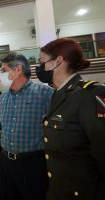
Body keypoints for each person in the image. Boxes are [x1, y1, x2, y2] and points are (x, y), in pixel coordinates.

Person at [37, 38, 105, 200]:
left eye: (43, 62)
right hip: (59, 191)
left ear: (58, 61)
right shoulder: (58, 94)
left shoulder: (92, 94)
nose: (40, 68)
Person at [0, 52, 54, 200]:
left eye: (4, 70)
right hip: (5, 162)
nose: (1, 74)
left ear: (17, 70)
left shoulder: (45, 93)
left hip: (33, 164)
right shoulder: (3, 97)